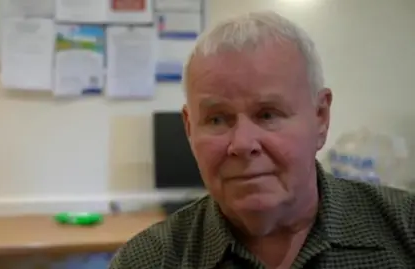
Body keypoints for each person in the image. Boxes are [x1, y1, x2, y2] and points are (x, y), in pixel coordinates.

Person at [109, 11, 415, 269]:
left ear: (320, 117)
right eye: (217, 119)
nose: (242, 143)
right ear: (190, 129)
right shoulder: (148, 261)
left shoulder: (407, 231)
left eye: (268, 114)